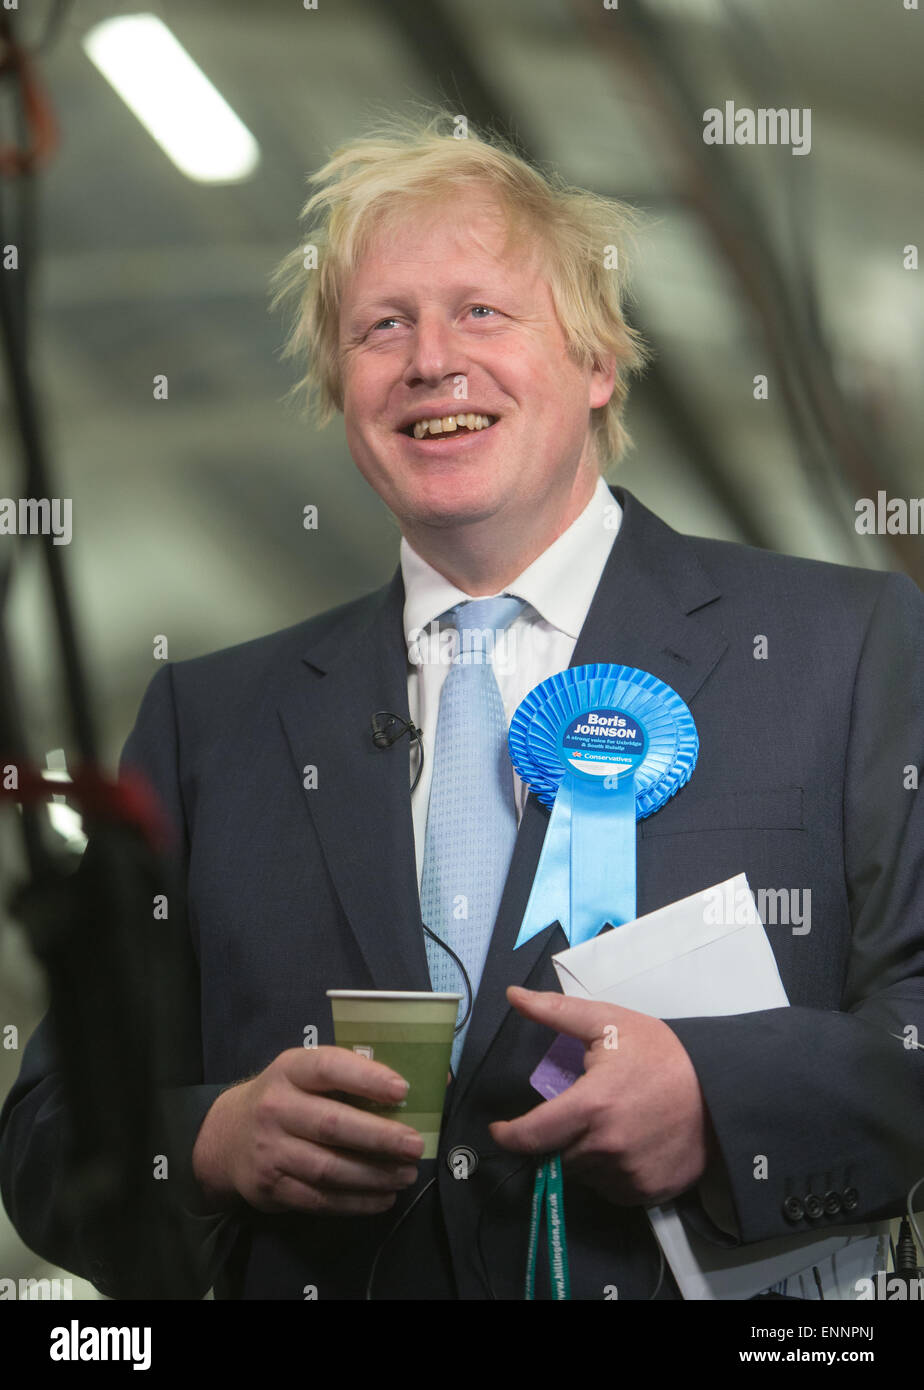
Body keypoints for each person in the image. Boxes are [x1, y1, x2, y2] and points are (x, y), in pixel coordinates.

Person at [2, 110, 922, 1301]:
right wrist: (218, 1141)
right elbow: (51, 1125)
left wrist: (718, 1099)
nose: (432, 358)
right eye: (382, 327)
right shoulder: (206, 724)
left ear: (598, 363)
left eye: (482, 311)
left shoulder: (843, 646)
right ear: (345, 394)